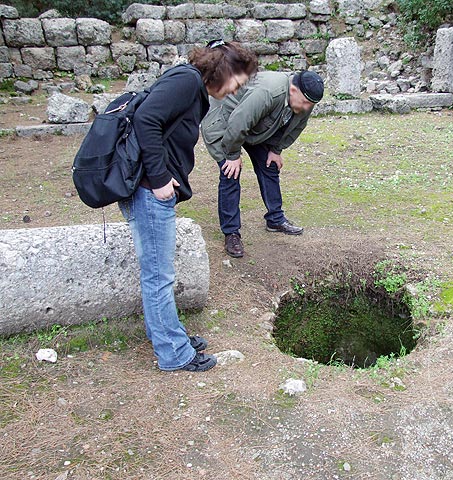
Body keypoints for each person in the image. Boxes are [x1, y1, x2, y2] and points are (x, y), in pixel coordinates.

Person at [118, 41, 258, 372]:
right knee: (159, 276)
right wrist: (160, 177)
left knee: (158, 274)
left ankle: (170, 336)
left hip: (154, 190)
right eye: (238, 80)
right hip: (150, 192)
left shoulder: (191, 85)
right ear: (224, 69)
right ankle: (174, 353)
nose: (238, 88)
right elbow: (146, 120)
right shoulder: (186, 81)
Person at [201, 70, 324, 258]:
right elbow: (238, 122)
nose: (307, 108)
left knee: (269, 166)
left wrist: (276, 150)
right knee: (230, 173)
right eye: (306, 103)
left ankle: (275, 219)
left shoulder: (305, 99)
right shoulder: (268, 92)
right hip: (226, 122)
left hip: (256, 127)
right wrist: (233, 155)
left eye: (311, 105)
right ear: (292, 90)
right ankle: (231, 233)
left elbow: (296, 126)